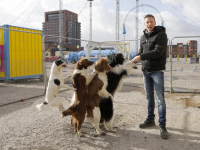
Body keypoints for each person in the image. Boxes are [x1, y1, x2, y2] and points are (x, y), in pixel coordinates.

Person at [132, 14, 169, 139]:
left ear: (155, 22)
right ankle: (150, 120)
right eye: (147, 22)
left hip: (157, 71)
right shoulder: (143, 37)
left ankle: (162, 125)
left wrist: (141, 57)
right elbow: (140, 52)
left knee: (160, 100)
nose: (149, 24)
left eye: (151, 22)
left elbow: (158, 52)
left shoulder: (161, 35)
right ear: (144, 24)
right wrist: (131, 60)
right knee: (149, 98)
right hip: (146, 71)